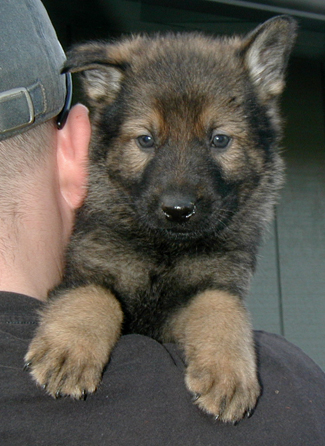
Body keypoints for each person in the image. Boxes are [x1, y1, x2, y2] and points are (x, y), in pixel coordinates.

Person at [0, 1, 324, 445]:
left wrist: (221, 325)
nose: (178, 193)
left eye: (220, 139)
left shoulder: (227, 249)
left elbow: (207, 297)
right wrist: (89, 312)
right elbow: (91, 280)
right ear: (90, 142)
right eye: (147, 140)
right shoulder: (298, 388)